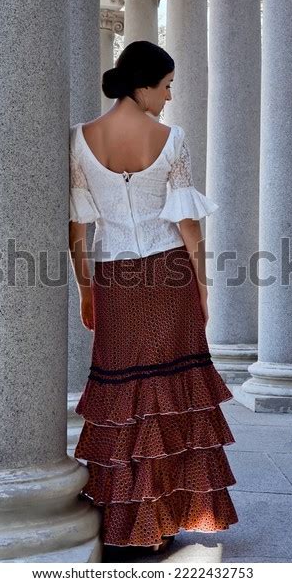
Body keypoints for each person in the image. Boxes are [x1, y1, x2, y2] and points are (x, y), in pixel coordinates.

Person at [68, 40, 238, 555]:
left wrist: (84, 287)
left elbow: (79, 225)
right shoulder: (171, 138)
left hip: (114, 278)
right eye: (165, 87)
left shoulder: (80, 139)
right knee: (170, 399)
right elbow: (187, 224)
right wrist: (203, 284)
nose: (167, 98)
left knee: (124, 398)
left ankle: (125, 521)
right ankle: (161, 519)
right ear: (144, 84)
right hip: (168, 277)